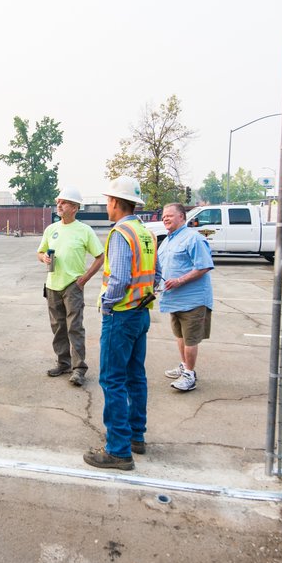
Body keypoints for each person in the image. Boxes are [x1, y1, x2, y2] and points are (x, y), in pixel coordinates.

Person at [83, 176, 156, 471]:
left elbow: (119, 279)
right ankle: (136, 436)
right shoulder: (145, 232)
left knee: (112, 380)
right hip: (141, 312)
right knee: (135, 376)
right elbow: (156, 274)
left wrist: (108, 305)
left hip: (122, 314)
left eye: (108, 201)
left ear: (115, 202)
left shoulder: (120, 233)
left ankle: (117, 449)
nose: (106, 205)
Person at [37, 187, 104, 387]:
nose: (59, 205)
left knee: (74, 327)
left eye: (64, 202)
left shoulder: (84, 230)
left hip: (72, 285)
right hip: (52, 285)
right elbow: (40, 252)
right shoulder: (52, 229)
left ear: (75, 207)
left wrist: (84, 279)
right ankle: (63, 363)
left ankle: (79, 369)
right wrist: (44, 258)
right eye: (58, 202)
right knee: (58, 327)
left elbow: (100, 257)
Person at [155, 202, 214, 392]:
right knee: (180, 336)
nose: (165, 219)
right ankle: (184, 365)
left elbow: (204, 266)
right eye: (164, 216)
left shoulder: (193, 238)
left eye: (169, 215)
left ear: (182, 217)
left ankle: (189, 374)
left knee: (190, 339)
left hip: (192, 300)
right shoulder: (168, 240)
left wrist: (180, 280)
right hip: (174, 299)